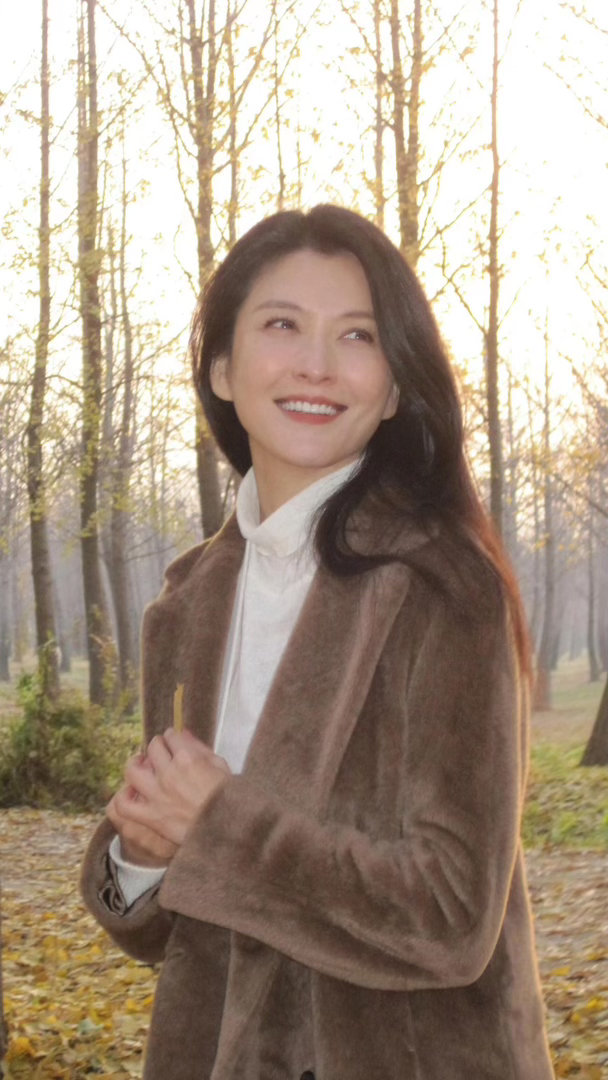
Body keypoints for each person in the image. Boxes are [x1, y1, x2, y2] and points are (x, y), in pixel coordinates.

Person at [81, 205, 554, 1080]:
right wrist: (138, 858)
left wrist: (215, 826)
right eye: (282, 324)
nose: (317, 364)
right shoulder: (187, 601)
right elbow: (153, 923)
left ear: (397, 386)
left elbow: (453, 916)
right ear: (223, 368)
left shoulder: (446, 587)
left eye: (358, 335)